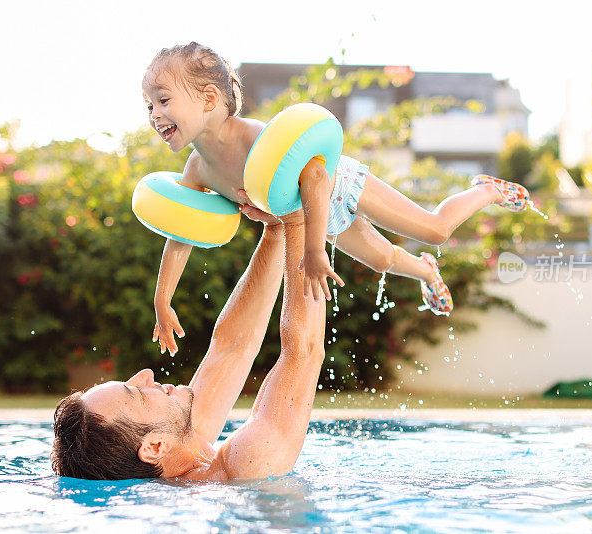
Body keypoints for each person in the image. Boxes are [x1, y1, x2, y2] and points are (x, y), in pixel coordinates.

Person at [144, 42, 530, 356]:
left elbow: (314, 174)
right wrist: (163, 300)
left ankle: (486, 189)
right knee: (382, 259)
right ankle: (427, 271)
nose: (154, 114)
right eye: (148, 105)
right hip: (317, 218)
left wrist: (314, 251)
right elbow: (183, 233)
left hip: (340, 183)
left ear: (209, 98)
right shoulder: (198, 169)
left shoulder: (253, 138)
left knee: (436, 230)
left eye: (163, 101)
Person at [51, 207, 328, 480]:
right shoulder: (243, 469)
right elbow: (304, 352)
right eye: (138, 393)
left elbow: (232, 345)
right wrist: (297, 220)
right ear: (154, 447)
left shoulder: (182, 444)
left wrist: (276, 230)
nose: (146, 375)